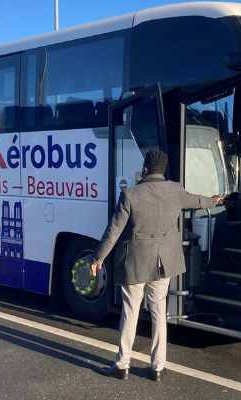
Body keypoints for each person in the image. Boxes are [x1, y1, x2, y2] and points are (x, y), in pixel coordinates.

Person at [90, 150, 222, 381]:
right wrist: (215, 200)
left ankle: (122, 365)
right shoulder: (175, 190)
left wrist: (98, 258)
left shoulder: (130, 195)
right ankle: (158, 367)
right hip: (164, 263)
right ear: (163, 169)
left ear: (145, 169)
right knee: (159, 312)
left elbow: (114, 231)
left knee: (130, 312)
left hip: (137, 262)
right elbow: (198, 201)